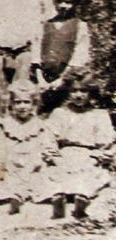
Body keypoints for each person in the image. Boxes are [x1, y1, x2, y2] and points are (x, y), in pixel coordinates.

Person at [0, 81, 57, 220]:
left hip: (32, 164)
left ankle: (19, 200)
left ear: (34, 104)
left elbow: (48, 145)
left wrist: (46, 155)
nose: (22, 106)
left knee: (41, 178)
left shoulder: (40, 125)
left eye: (26, 102)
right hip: (8, 164)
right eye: (17, 102)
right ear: (11, 104)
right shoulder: (3, 124)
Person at [44, 68, 115, 219]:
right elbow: (48, 137)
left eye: (84, 91)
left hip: (89, 155)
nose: (78, 95)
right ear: (68, 92)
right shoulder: (60, 113)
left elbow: (107, 142)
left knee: (93, 174)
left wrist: (98, 156)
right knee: (53, 173)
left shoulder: (99, 115)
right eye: (74, 91)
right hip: (64, 154)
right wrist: (54, 156)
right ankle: (58, 200)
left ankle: (81, 201)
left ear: (91, 93)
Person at [38, 0, 91, 104]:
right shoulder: (44, 25)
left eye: (68, 2)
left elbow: (79, 56)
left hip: (68, 81)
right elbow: (36, 53)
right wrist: (40, 79)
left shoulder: (80, 26)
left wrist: (62, 79)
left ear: (75, 4)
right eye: (59, 1)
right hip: (43, 80)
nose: (63, 5)